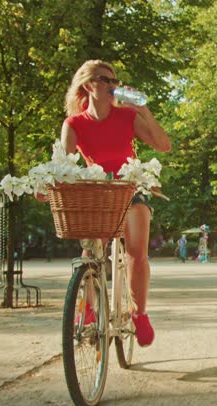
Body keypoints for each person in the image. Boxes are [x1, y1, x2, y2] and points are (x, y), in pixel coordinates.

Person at [61, 60, 171, 347]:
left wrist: (142, 109)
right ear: (89, 85)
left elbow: (163, 145)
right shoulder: (73, 124)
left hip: (128, 187)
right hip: (94, 191)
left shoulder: (126, 117)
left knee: (137, 252)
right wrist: (49, 184)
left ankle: (140, 314)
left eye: (114, 80)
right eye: (106, 80)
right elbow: (64, 163)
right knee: (89, 250)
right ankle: (86, 305)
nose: (113, 85)